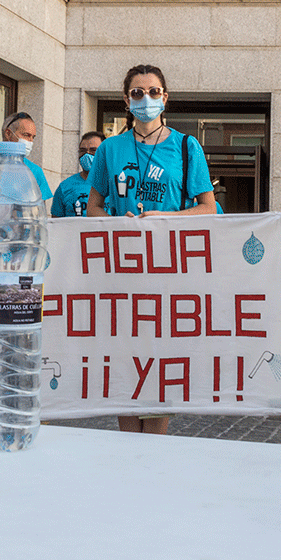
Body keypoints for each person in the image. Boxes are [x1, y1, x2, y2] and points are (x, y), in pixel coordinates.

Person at [86, 64, 215, 435]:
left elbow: (208, 207)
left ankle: (156, 445)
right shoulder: (110, 148)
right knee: (126, 357)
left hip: (169, 269)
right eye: (138, 93)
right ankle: (129, 442)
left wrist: (168, 218)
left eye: (154, 92)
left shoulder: (187, 147)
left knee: (162, 360)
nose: (147, 99)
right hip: (122, 268)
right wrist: (115, 222)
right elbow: (95, 205)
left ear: (166, 98)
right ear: (126, 100)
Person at [0, 112, 53, 202]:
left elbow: (40, 211)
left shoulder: (35, 171)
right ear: (8, 133)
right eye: (26, 135)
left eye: (33, 137)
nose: (30, 141)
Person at [51, 131, 105, 218]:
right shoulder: (65, 187)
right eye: (82, 151)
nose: (87, 154)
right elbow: (56, 225)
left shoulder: (114, 185)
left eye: (93, 150)